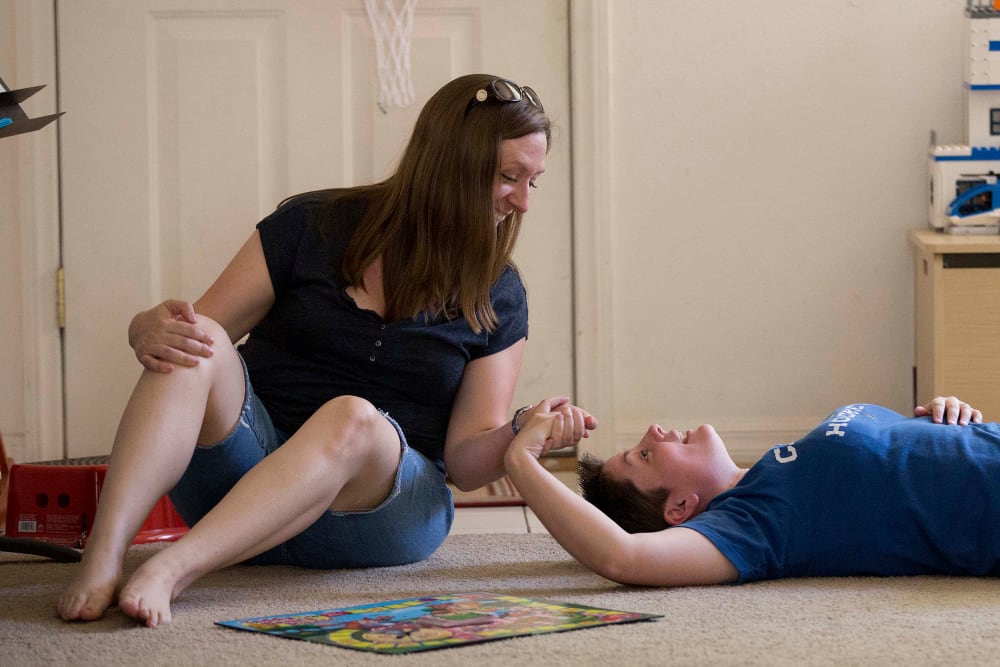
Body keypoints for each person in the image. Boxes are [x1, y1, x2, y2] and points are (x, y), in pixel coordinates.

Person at [57, 74, 597, 628]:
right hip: (243, 489)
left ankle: (173, 569)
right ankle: (103, 556)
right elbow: (193, 337)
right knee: (200, 340)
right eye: (510, 177)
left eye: (534, 182)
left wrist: (520, 426)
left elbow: (463, 460)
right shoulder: (310, 225)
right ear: (450, 162)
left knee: (353, 417)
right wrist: (142, 329)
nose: (524, 202)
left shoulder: (499, 290)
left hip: (378, 512)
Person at [503, 395, 1000, 588]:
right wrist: (521, 462)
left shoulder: (782, 466)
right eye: (646, 455)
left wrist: (947, 414)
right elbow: (623, 557)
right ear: (679, 508)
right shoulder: (753, 521)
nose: (655, 430)